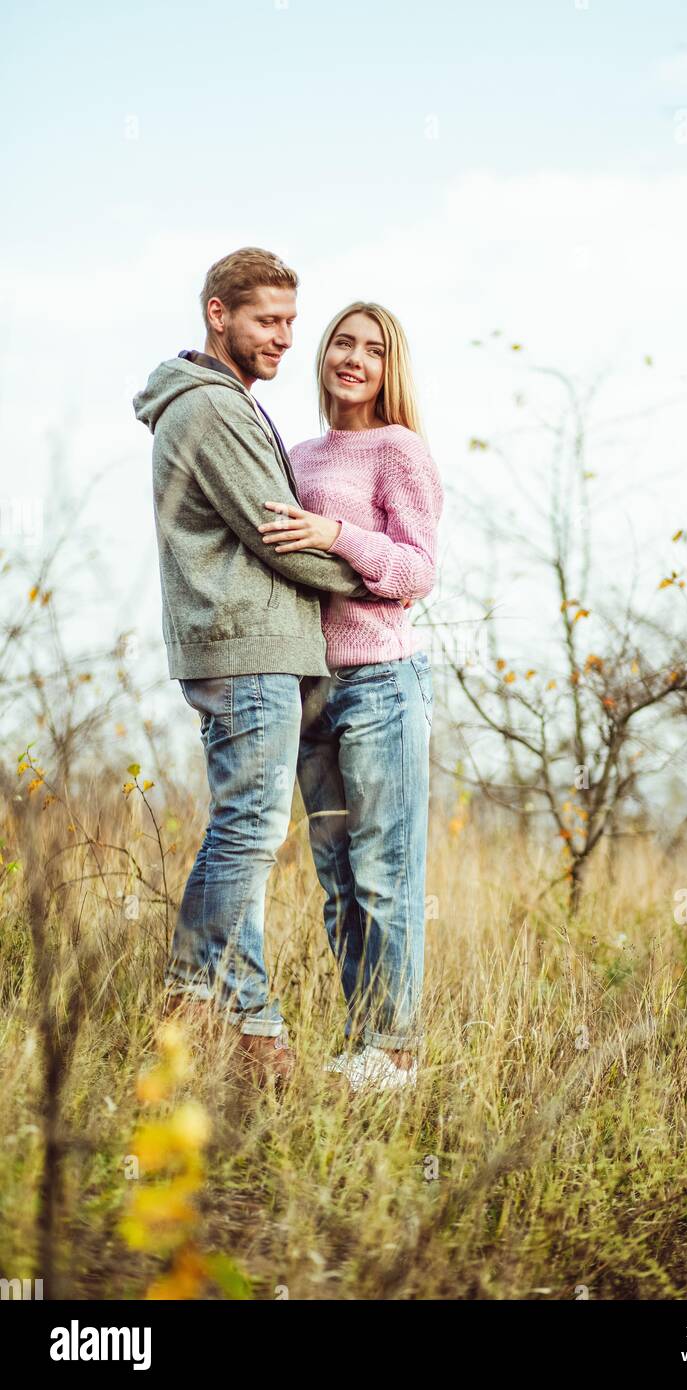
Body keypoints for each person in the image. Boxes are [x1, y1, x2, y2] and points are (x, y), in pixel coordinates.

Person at [133, 248, 381, 1087]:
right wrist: (375, 575)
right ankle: (189, 990)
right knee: (247, 829)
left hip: (250, 648)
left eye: (288, 322)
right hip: (248, 650)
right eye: (266, 321)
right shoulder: (210, 409)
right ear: (217, 314)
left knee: (247, 827)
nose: (284, 338)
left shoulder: (218, 402)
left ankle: (255, 1034)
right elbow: (278, 530)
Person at [257, 301, 444, 1092]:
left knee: (383, 872)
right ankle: (361, 1041)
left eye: (372, 348)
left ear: (388, 366)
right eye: (343, 342)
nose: (354, 358)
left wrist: (335, 536)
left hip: (380, 685)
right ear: (324, 354)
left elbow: (416, 572)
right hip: (309, 690)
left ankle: (394, 1050)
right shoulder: (297, 453)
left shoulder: (399, 449)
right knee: (337, 883)